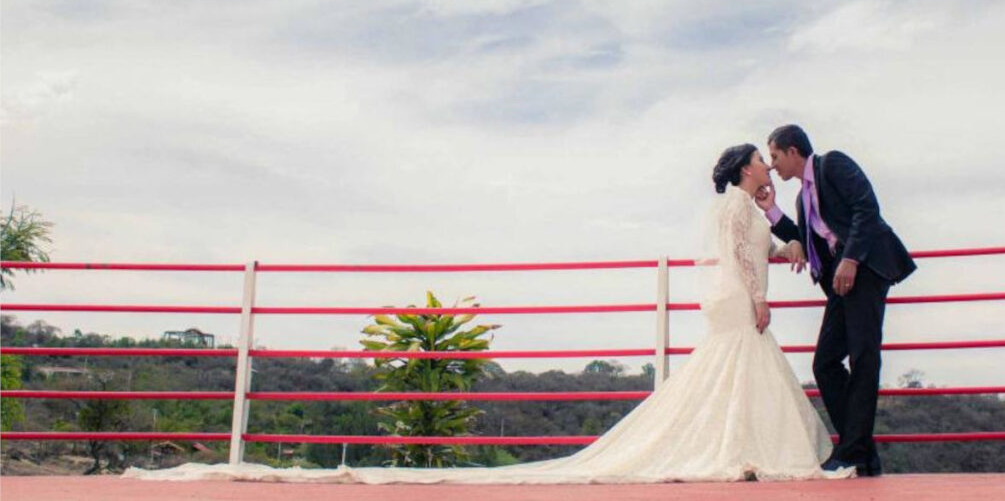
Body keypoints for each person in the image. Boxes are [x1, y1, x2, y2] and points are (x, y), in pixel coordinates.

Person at [127, 143, 854, 484]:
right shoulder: (733, 206)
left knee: (728, 379)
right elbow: (737, 262)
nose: (766, 166)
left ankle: (743, 453)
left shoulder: (750, 205)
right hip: (742, 308)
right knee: (732, 377)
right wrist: (757, 298)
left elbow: (775, 249)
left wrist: (777, 237)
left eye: (769, 162)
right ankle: (742, 454)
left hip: (742, 309)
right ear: (740, 171)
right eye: (758, 163)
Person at [754, 125, 916, 477]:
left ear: (793, 151)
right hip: (842, 284)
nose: (772, 166)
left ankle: (853, 451)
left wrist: (851, 258)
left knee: (863, 356)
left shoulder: (833, 164)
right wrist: (771, 211)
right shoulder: (802, 198)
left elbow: (866, 207)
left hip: (866, 268)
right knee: (825, 363)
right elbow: (804, 238)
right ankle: (860, 451)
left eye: (775, 156)